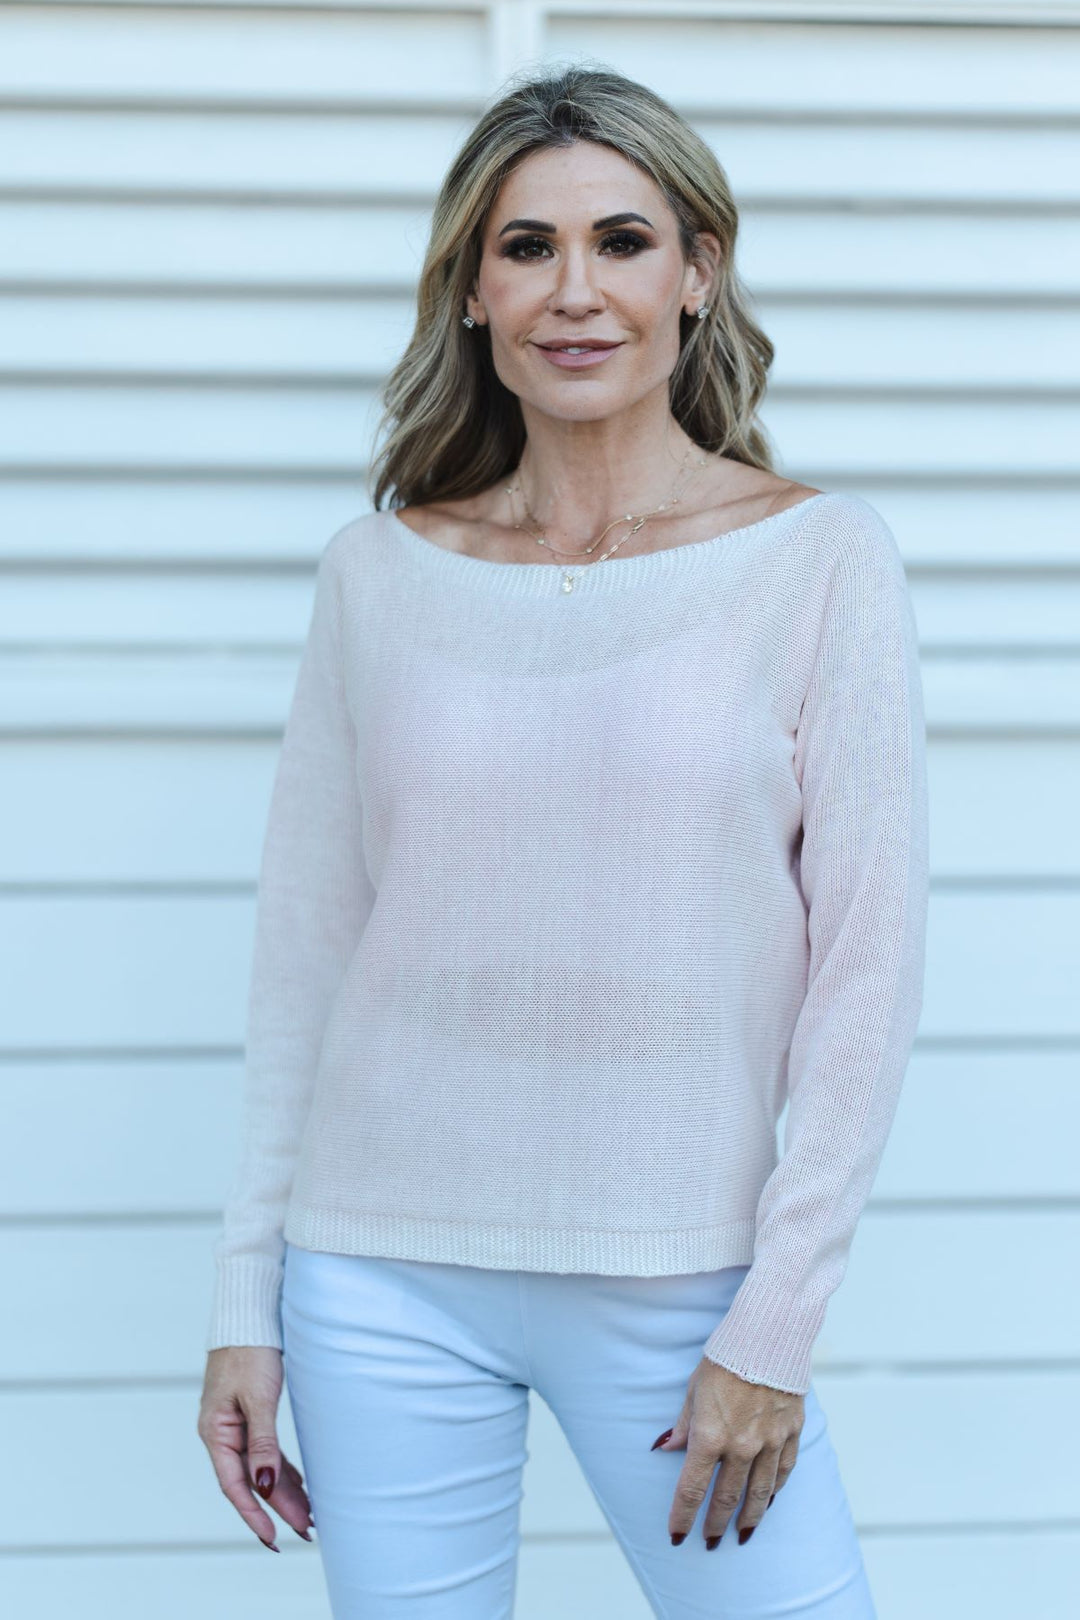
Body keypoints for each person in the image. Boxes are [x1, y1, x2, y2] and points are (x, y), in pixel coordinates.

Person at [197, 63, 928, 1619]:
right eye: (527, 247)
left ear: (698, 273)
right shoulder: (377, 574)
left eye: (624, 242)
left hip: (683, 1287)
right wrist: (246, 1299)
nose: (575, 291)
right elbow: (304, 961)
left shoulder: (819, 561)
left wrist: (776, 1324)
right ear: (473, 291)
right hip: (377, 1276)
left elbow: (866, 975)